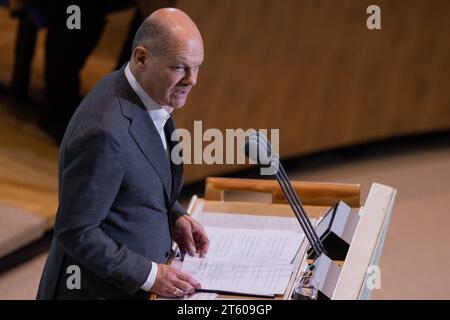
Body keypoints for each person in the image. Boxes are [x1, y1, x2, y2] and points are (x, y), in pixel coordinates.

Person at [36, 8, 209, 300]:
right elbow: (76, 230)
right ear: (141, 58)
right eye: (180, 67)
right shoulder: (103, 132)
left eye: (197, 67)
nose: (192, 80)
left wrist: (174, 216)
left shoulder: (150, 93)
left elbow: (140, 178)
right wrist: (151, 275)